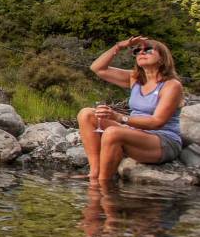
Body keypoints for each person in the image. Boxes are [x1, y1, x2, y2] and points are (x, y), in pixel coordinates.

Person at [78, 37, 184, 181]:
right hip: (134, 134)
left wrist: (120, 118)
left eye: (147, 49)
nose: (141, 52)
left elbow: (157, 122)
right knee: (86, 114)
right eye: (137, 51)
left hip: (163, 140)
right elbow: (97, 68)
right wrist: (119, 46)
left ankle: (101, 185)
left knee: (113, 132)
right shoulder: (135, 78)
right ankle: (95, 172)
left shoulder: (171, 85)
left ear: (162, 58)